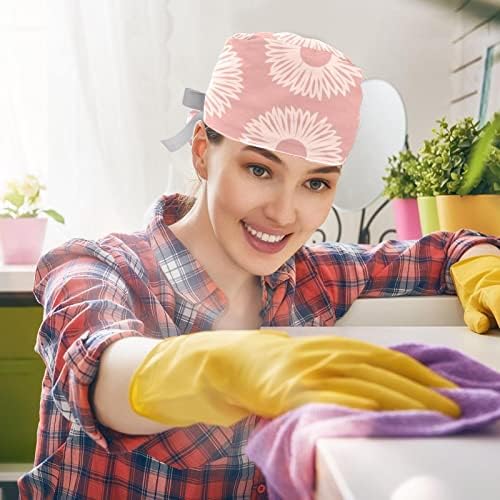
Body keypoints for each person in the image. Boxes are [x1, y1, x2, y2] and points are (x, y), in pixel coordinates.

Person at [19, 32, 500, 499]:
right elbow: (101, 372)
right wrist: (222, 369)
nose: (284, 213)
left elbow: (450, 247)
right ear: (204, 151)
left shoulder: (313, 280)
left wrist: (485, 270)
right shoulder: (98, 268)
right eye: (259, 169)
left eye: (315, 184)